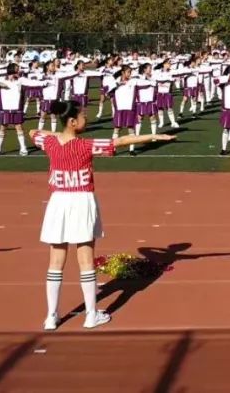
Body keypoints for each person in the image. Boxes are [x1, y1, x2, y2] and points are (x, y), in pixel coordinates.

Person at [32, 100, 176, 331]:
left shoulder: (48, 142)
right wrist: (153, 137)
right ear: (72, 121)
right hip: (81, 201)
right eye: (83, 116)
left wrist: (58, 134)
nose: (86, 119)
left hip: (58, 201)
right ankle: (91, 315)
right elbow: (120, 141)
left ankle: (51, 317)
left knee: (55, 262)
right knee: (85, 260)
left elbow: (34, 132)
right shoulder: (86, 145)